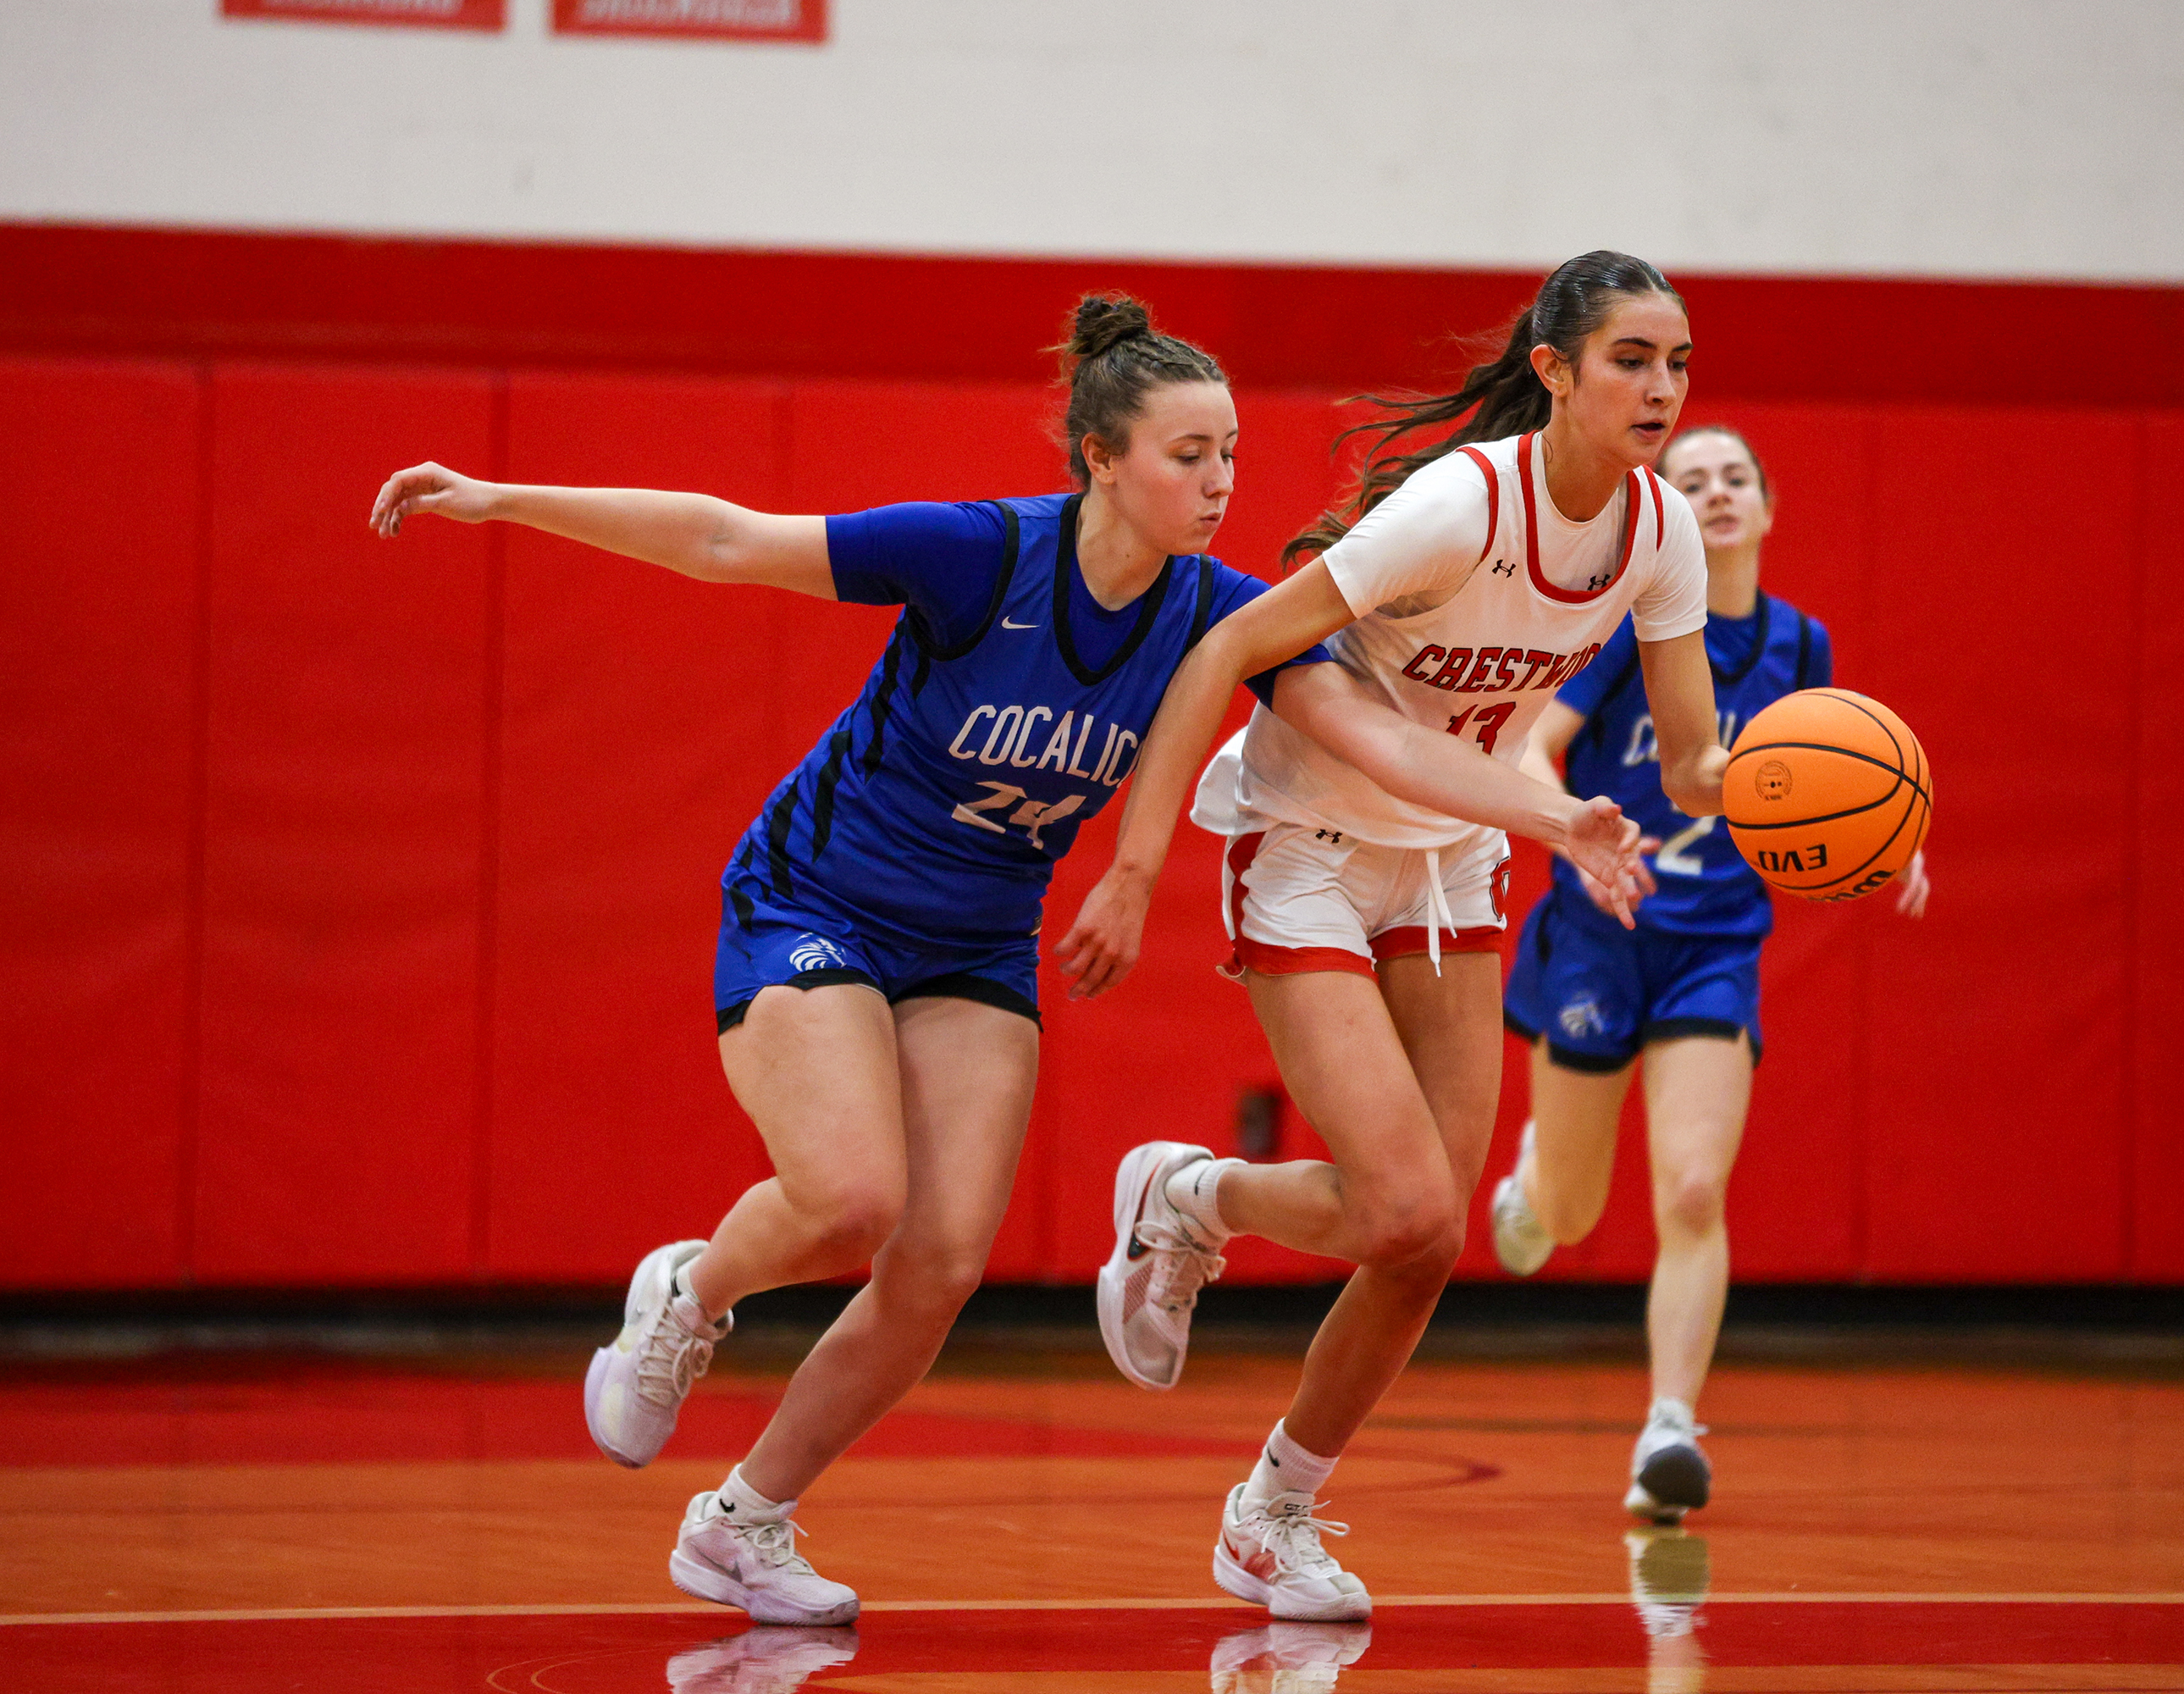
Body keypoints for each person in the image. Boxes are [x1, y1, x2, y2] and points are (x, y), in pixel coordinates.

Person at [367, 295, 1643, 1628]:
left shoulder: (1219, 615)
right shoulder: (979, 556)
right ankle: (695, 1292)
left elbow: (1378, 737)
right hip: (817, 900)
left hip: (974, 942)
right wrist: (499, 496)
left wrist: (1548, 812)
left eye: (1229, 455)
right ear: (1100, 456)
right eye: (1186, 455)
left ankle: (743, 1521)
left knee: (939, 1266)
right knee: (853, 1197)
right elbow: (724, 537)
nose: (1218, 484)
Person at [1055, 252, 1729, 1622]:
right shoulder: (1458, 507)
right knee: (1406, 1202)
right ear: (1554, 370)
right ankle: (1193, 1197)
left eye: (1676, 363)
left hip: (1454, 863)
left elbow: (1700, 761)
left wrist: (1830, 806)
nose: (1660, 388)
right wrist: (1132, 864)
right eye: (1630, 360)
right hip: (1307, 843)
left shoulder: (1661, 532)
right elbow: (1224, 649)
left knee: (1423, 1242)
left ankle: (1272, 1514)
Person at [1490, 425, 1931, 1524]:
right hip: (1601, 927)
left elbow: (1834, 770)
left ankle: (1669, 1431)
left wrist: (1888, 833)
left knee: (1692, 1187)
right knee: (1570, 1216)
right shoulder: (1622, 633)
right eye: (1693, 480)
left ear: (1769, 509)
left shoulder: (1800, 644)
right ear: (1665, 514)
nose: (1719, 492)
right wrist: (1569, 826)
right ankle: (1538, 1180)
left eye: (1737, 477)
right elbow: (1528, 748)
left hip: (1715, 940)